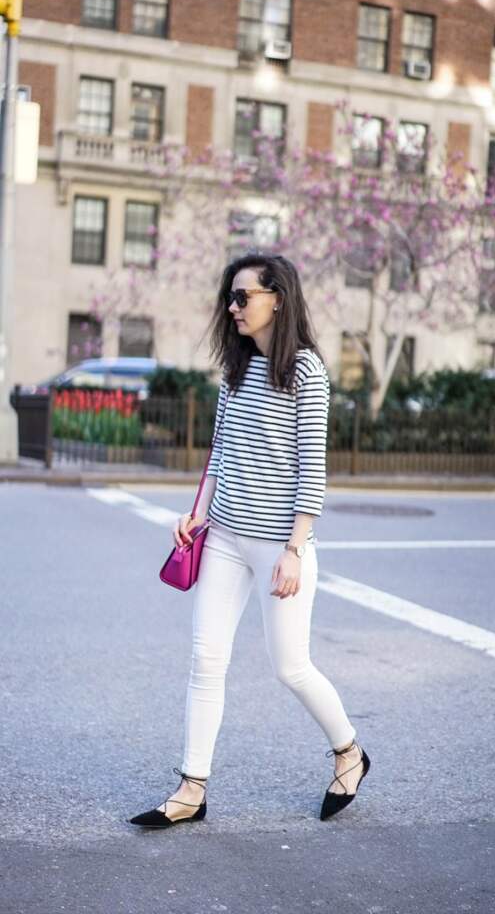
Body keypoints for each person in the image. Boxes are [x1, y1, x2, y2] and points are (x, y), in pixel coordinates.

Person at [128, 253, 370, 828]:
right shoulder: (235, 372)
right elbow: (219, 454)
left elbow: (312, 470)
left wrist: (294, 550)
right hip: (225, 539)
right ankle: (192, 788)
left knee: (290, 666)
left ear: (277, 299)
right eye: (229, 298)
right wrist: (196, 515)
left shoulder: (307, 372)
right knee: (205, 657)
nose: (233, 307)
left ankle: (349, 752)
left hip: (278, 547)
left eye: (244, 297)